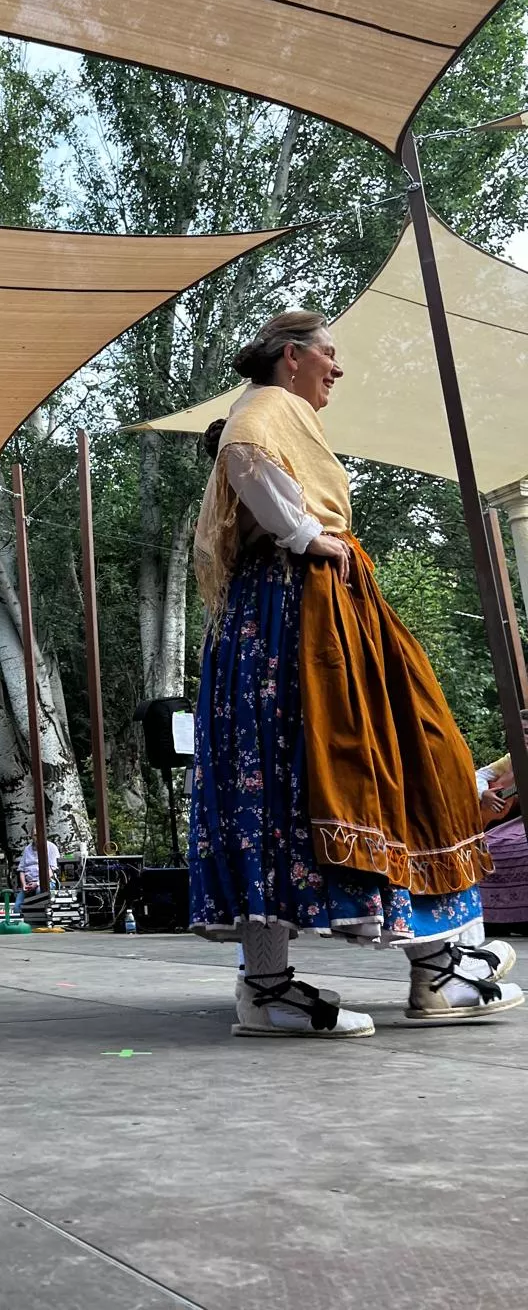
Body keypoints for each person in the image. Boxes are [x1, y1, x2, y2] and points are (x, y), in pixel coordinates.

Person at [190, 311, 522, 1038]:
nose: (337, 369)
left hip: (296, 610)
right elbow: (244, 455)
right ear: (291, 356)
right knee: (390, 760)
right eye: (329, 355)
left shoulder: (282, 412)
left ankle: (276, 983)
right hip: (300, 612)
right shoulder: (266, 406)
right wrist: (306, 535)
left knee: (305, 780)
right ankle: (432, 974)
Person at [476, 754, 528, 927]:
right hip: (506, 821)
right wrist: (484, 794)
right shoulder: (510, 759)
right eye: (523, 731)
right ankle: (491, 920)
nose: (525, 736)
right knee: (485, 846)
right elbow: (479, 775)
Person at [14, 837, 60, 915]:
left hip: (46, 882)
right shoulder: (27, 849)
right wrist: (24, 885)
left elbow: (52, 870)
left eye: (38, 834)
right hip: (29, 883)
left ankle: (38, 920)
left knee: (39, 892)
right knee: (17, 907)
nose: (37, 837)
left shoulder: (51, 847)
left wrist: (37, 883)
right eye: (35, 834)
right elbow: (21, 870)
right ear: (31, 836)